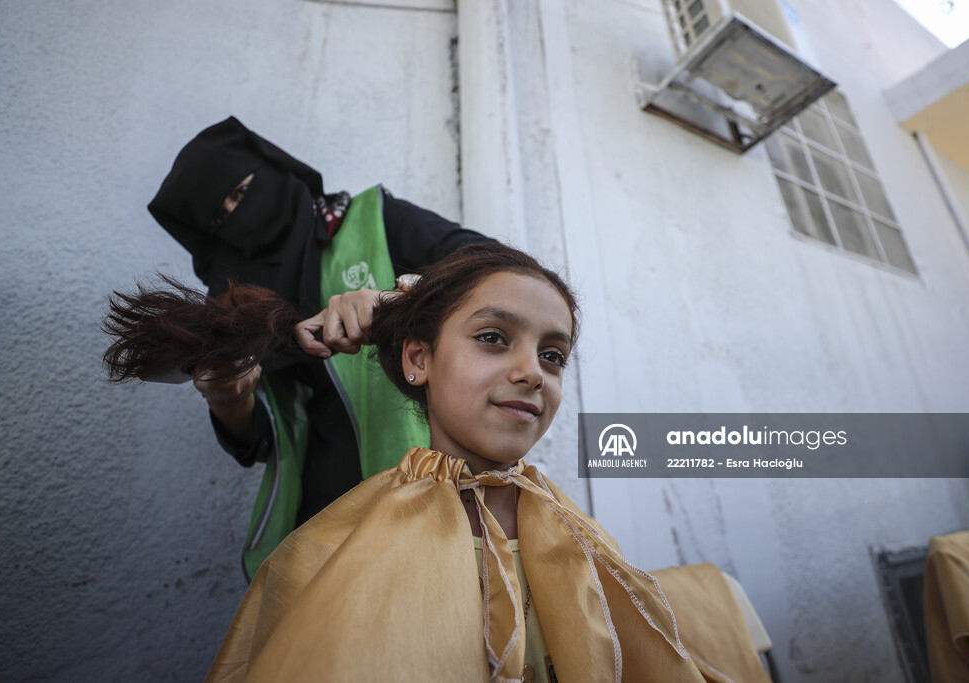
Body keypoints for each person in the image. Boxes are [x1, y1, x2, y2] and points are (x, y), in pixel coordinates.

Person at [203, 243, 771, 683]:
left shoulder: (577, 534)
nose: (532, 372)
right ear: (419, 357)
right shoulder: (332, 548)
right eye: (494, 338)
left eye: (553, 355)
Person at [146, 117, 493, 578]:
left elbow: (493, 274)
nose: (237, 212)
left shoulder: (373, 219)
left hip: (424, 481)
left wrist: (394, 299)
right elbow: (264, 441)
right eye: (219, 216)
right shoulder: (239, 303)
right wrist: (229, 399)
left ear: (273, 167)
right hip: (321, 516)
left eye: (242, 190)